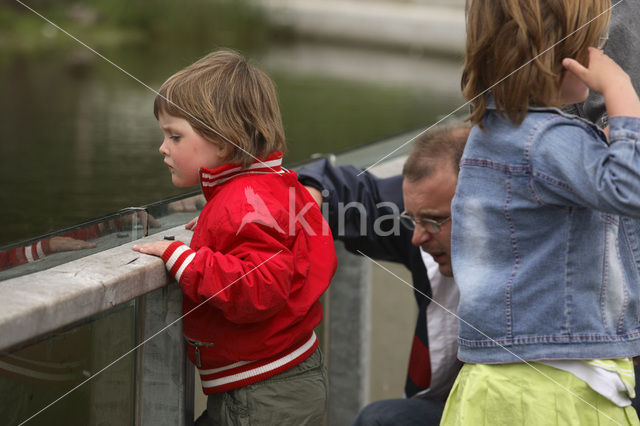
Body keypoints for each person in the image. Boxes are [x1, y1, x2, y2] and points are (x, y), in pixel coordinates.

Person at [442, 0, 640, 424]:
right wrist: (621, 90)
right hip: (556, 387)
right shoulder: (548, 140)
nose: (603, 55)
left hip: (502, 379)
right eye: (596, 43)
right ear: (559, 54)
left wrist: (598, 145)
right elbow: (631, 190)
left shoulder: (494, 134)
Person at [131, 50, 337, 425]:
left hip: (264, 393)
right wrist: (212, 229)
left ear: (224, 144)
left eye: (174, 136)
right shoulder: (267, 187)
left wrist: (183, 258)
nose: (163, 148)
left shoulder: (244, 200)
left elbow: (261, 285)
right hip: (280, 378)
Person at [299, 122, 470, 425]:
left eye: (433, 221)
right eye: (410, 217)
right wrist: (304, 197)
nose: (416, 237)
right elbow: (353, 193)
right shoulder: (427, 209)